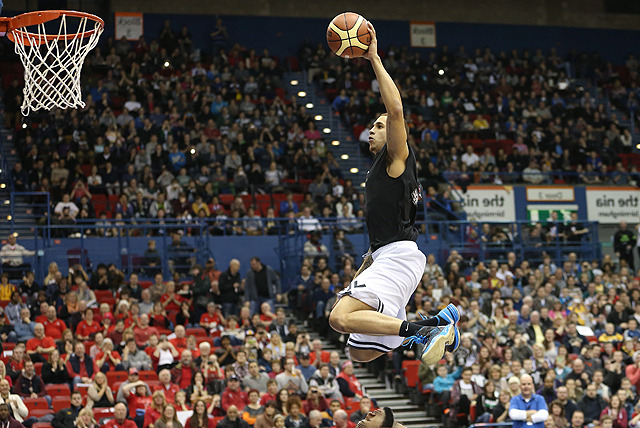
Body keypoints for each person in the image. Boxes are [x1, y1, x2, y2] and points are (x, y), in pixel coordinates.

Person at [328, 21, 458, 365]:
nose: (372, 130)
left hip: (397, 257)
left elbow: (397, 110)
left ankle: (425, 329)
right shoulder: (382, 169)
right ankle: (433, 324)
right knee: (358, 351)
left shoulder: (396, 158)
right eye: (371, 126)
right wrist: (363, 269)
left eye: (379, 126)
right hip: (389, 256)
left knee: (338, 318)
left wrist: (373, 58)